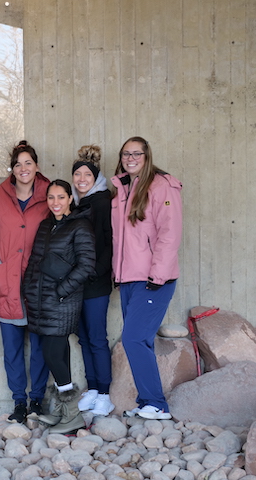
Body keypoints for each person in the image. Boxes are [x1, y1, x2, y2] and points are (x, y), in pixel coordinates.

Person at [0, 140, 51, 424]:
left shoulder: (49, 194)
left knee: (41, 347)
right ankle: (19, 401)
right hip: (5, 283)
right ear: (12, 168)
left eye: (28, 163)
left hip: (39, 283)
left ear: (37, 166)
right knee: (13, 348)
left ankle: (37, 400)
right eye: (18, 164)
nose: (23, 169)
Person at [112, 136, 182, 420]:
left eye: (136, 153)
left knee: (133, 339)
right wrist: (118, 274)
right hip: (129, 278)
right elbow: (122, 238)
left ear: (146, 155)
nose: (130, 158)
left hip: (154, 279)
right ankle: (148, 403)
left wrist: (159, 275)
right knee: (142, 340)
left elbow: (170, 233)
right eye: (126, 153)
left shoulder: (163, 184)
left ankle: (157, 403)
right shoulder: (123, 188)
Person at [24, 180, 95, 435]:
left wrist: (61, 290)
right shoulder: (46, 225)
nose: (55, 203)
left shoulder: (80, 226)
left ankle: (73, 414)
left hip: (63, 301)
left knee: (52, 354)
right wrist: (28, 287)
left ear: (69, 199)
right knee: (59, 353)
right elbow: (35, 261)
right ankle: (63, 412)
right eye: (51, 197)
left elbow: (86, 265)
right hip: (42, 300)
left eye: (61, 197)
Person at [70, 145, 115, 416]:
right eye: (77, 175)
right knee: (84, 339)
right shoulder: (77, 204)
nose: (81, 179)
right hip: (78, 283)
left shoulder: (101, 202)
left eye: (87, 174)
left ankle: (106, 393)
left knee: (97, 338)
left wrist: (97, 271)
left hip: (95, 282)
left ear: (96, 177)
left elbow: (110, 241)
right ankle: (93, 389)